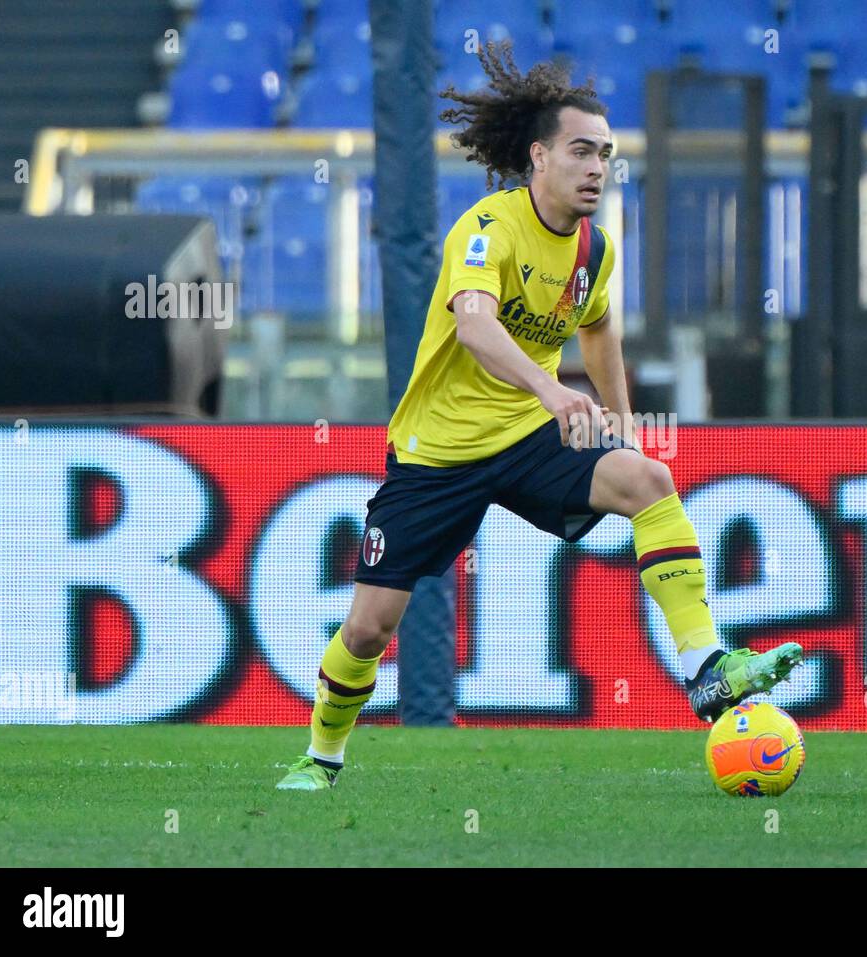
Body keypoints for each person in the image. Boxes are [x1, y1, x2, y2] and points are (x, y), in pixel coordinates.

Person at [275, 42, 801, 790]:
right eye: (581, 151)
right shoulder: (487, 227)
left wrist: (619, 418)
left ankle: (706, 667)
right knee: (369, 628)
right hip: (440, 451)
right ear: (538, 159)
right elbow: (475, 326)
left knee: (649, 480)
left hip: (528, 438)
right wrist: (555, 392)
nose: (597, 168)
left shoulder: (594, 247)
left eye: (607, 155)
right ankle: (322, 756)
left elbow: (600, 329)